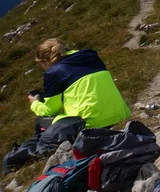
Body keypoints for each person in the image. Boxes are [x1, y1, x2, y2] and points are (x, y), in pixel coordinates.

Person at [2, 39, 131, 173]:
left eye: (40, 64)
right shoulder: (90, 55)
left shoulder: (53, 73)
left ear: (46, 61)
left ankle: (12, 164)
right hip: (120, 115)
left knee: (43, 122)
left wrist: (34, 103)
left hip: (90, 124)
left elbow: (49, 110)